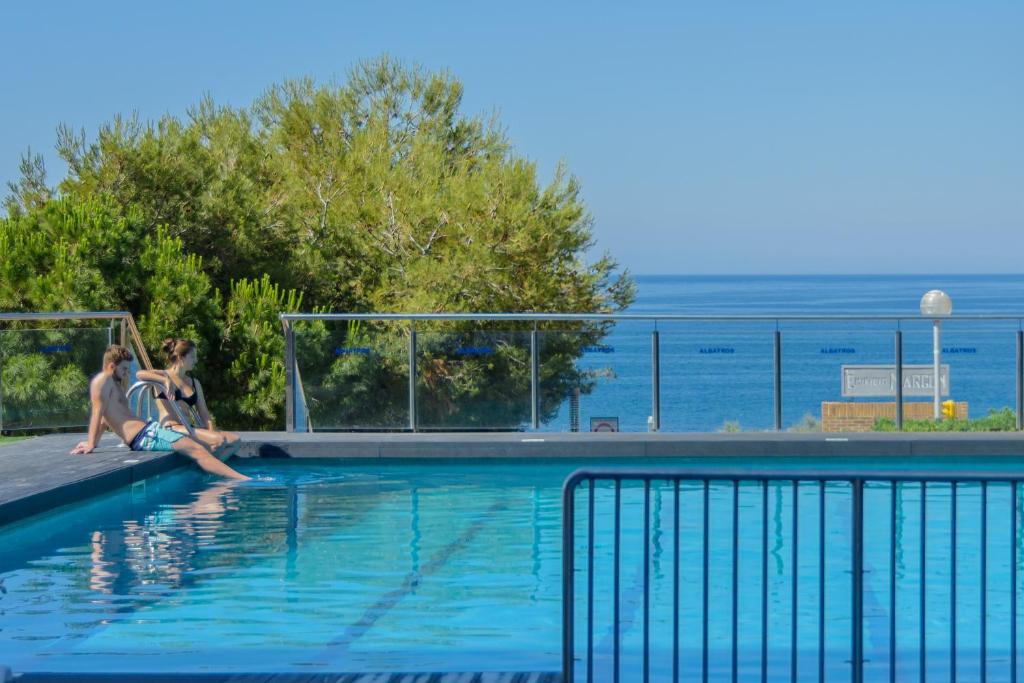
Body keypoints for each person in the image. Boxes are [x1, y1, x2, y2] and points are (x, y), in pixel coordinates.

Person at [70, 344, 249, 481]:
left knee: (196, 448)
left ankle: (230, 477)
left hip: (147, 431)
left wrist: (94, 441)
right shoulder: (102, 381)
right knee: (196, 449)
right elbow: (97, 413)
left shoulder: (114, 384)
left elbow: (104, 420)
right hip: (144, 436)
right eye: (124, 369)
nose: (126, 374)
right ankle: (241, 480)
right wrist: (91, 444)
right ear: (111, 366)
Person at [136, 338, 241, 461]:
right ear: (181, 357)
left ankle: (206, 468)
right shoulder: (163, 376)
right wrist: (165, 381)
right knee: (219, 441)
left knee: (235, 441)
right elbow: (139, 374)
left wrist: (211, 433)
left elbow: (205, 415)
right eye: (192, 357)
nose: (196, 360)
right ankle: (208, 469)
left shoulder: (194, 383)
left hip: (189, 428)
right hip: (171, 429)